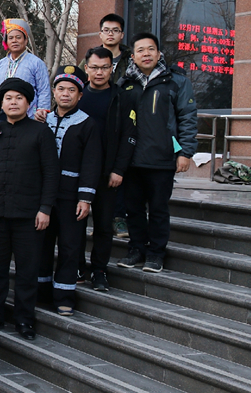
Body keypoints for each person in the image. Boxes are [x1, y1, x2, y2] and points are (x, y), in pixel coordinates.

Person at [0, 78, 59, 341]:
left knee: (27, 270)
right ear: (1, 103)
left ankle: (25, 320)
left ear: (28, 102)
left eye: (18, 98)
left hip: (29, 215)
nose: (13, 102)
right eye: (8, 98)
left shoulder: (40, 132)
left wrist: (45, 208)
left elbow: (51, 173)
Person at [117, 33, 197, 273]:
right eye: (140, 50)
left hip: (162, 159)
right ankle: (136, 249)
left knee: (159, 209)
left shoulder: (177, 82)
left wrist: (185, 152)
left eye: (151, 49)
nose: (146, 54)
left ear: (159, 53)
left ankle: (156, 254)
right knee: (134, 210)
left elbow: (188, 118)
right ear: (133, 56)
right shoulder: (125, 84)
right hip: (131, 161)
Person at [39, 67, 102, 316]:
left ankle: (64, 294)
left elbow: (91, 163)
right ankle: (41, 290)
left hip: (71, 196)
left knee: (69, 246)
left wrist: (85, 198)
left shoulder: (87, 124)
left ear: (80, 94)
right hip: (45, 196)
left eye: (71, 90)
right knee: (42, 243)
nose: (65, 94)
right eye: (61, 89)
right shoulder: (42, 121)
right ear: (54, 92)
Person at [79, 46, 137, 291]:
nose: (99, 72)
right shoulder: (77, 94)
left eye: (105, 67)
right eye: (94, 67)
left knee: (104, 225)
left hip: (108, 173)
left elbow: (129, 136)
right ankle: (79, 267)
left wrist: (119, 170)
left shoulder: (122, 97)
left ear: (112, 68)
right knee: (76, 225)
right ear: (86, 68)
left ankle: (100, 269)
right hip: (78, 172)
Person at [0, 19, 51, 120]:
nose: (14, 41)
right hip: (2, 117)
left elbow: (43, 89)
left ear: (26, 40)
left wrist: (42, 110)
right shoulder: (0, 64)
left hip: (30, 117)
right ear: (6, 41)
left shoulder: (36, 63)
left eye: (18, 37)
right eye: (11, 38)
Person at [82, 13, 127, 86]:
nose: (110, 34)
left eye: (115, 30)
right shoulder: (91, 58)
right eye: (106, 30)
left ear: (122, 35)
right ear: (100, 34)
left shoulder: (130, 59)